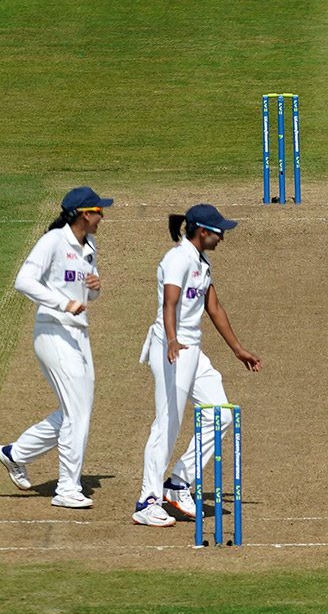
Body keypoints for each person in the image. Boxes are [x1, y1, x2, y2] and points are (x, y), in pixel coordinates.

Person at [133, 205, 263, 527]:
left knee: (221, 412)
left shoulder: (202, 263)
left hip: (192, 349)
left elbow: (214, 307)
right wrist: (173, 340)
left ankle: (178, 483)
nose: (223, 236)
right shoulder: (177, 259)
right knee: (168, 424)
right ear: (201, 231)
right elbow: (169, 302)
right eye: (218, 231)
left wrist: (237, 349)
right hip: (171, 348)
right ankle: (147, 501)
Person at [0, 188, 110, 507]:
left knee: (77, 411)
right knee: (77, 412)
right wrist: (64, 303)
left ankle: (15, 454)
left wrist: (95, 287)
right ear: (85, 214)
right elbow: (24, 281)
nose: (103, 215)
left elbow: (88, 295)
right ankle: (67, 489)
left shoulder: (89, 246)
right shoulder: (53, 241)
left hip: (78, 333)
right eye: (99, 211)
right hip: (52, 331)